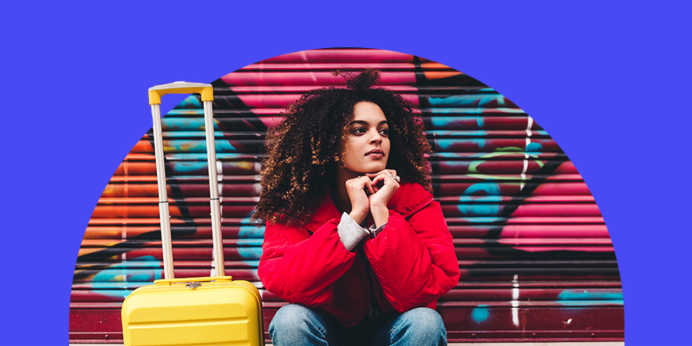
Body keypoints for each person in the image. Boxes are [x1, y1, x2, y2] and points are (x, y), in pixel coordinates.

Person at [254, 70, 460, 346]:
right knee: (290, 320)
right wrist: (352, 222)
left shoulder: (415, 201)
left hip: (392, 331)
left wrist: (382, 215)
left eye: (383, 131)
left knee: (425, 321)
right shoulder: (297, 205)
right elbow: (286, 281)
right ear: (331, 145)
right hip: (328, 331)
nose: (377, 138)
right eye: (360, 130)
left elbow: (422, 291)